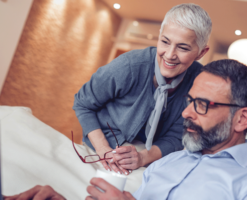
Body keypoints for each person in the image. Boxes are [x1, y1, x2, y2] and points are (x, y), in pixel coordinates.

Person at [84, 59, 247, 199]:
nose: (185, 113)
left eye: (201, 104)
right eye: (189, 100)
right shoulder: (165, 163)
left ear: (242, 119)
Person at [72, 3, 211, 175]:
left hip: (151, 157)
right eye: (165, 42)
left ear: (201, 53)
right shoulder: (128, 66)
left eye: (183, 47)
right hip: (102, 145)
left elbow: (177, 136)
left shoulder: (199, 82)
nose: (169, 55)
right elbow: (83, 103)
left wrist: (142, 157)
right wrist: (103, 149)